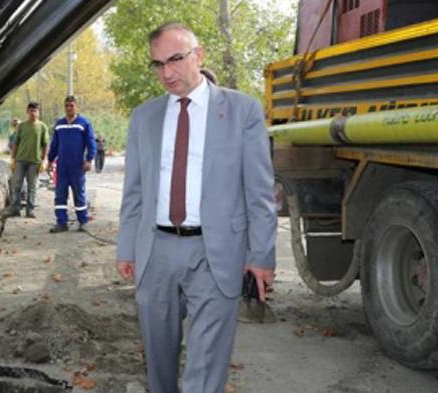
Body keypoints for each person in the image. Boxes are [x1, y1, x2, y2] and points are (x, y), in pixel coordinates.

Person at [114, 22, 276, 393]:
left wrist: (261, 255)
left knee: (205, 369)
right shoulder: (145, 117)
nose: (166, 72)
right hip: (155, 250)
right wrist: (127, 246)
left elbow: (259, 191)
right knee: (158, 360)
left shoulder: (242, 111)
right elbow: (134, 191)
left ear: (199, 56)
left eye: (175, 59)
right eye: (157, 64)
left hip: (215, 251)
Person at [47, 95, 96, 232]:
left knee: (79, 194)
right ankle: (62, 223)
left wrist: (89, 159)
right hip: (62, 166)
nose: (69, 108)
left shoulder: (84, 123)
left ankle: (83, 221)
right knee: (60, 194)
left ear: (76, 106)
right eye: (67, 106)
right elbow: (54, 145)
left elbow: (91, 143)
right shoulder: (59, 124)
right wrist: (50, 160)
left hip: (77, 166)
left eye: (72, 106)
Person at [5, 102, 48, 218]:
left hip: (34, 161)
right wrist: (13, 159)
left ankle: (30, 210)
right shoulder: (22, 126)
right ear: (27, 112)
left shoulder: (42, 127)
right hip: (20, 160)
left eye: (35, 111)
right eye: (31, 111)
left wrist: (43, 160)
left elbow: (45, 145)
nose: (33, 113)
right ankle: (15, 208)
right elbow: (16, 143)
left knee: (32, 187)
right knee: (16, 185)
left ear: (38, 113)